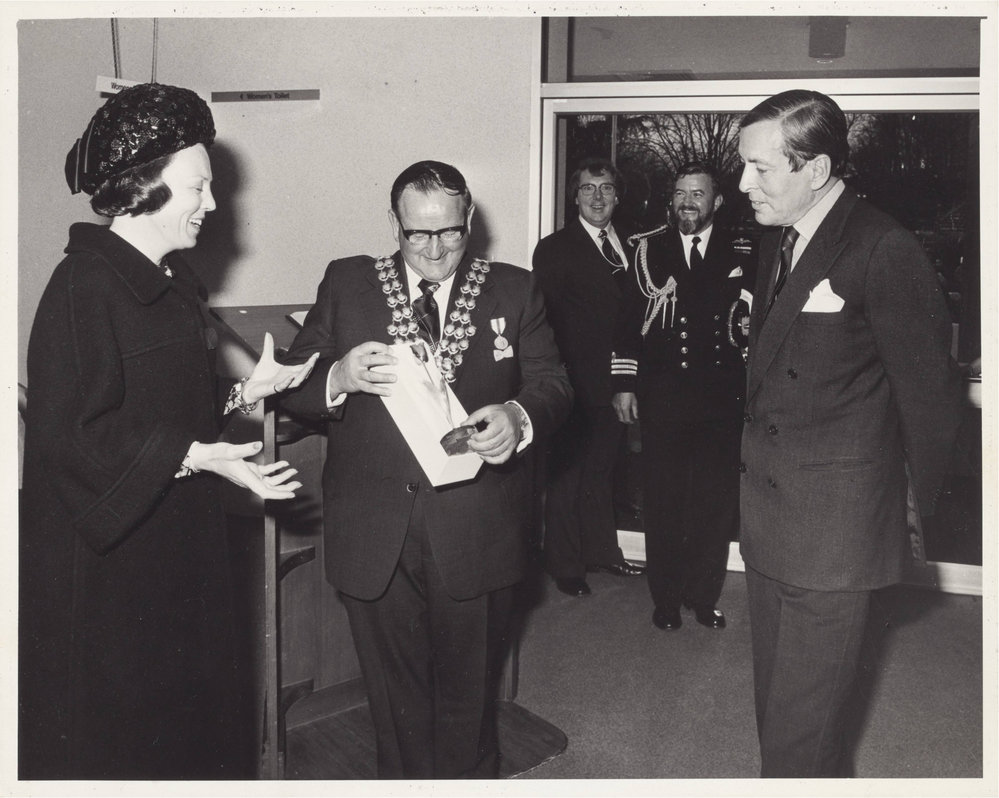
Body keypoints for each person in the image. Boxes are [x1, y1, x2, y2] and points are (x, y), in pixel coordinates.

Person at [19, 82, 318, 779]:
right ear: (140, 189)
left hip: (178, 544)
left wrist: (248, 389)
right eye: (198, 188)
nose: (213, 205)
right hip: (111, 579)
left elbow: (170, 407)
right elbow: (70, 441)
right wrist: (195, 455)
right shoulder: (81, 289)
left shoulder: (172, 279)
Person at [279, 160, 572, 778]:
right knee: (394, 703)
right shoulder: (348, 282)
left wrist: (517, 417)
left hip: (478, 527)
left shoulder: (514, 288)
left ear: (470, 222)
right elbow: (293, 385)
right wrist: (338, 375)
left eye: (452, 232)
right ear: (394, 223)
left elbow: (554, 384)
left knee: (470, 698)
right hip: (374, 527)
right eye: (419, 234)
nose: (437, 251)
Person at [736, 89, 963, 777]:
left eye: (759, 168)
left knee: (795, 745)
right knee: (786, 723)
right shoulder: (778, 239)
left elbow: (931, 402)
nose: (742, 184)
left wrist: (894, 534)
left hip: (835, 540)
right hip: (772, 525)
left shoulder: (880, 246)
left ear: (815, 167)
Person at [612, 161, 755, 631]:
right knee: (665, 499)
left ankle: (703, 596)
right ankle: (667, 599)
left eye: (697, 194)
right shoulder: (647, 250)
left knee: (714, 503)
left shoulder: (745, 248)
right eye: (679, 194)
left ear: (716, 202)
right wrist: (625, 383)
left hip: (721, 398)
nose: (686, 203)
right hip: (665, 396)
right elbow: (627, 322)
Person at [532, 157, 645, 598]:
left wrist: (628, 379)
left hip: (618, 381)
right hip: (575, 382)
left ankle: (602, 552)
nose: (597, 197)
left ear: (617, 196)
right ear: (574, 196)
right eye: (587, 189)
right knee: (567, 476)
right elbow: (547, 322)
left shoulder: (634, 247)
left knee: (603, 472)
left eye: (605, 188)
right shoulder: (555, 248)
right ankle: (565, 564)